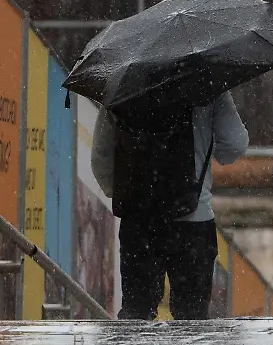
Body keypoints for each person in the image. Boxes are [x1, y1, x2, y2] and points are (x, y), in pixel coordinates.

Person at [92, 92, 249, 320]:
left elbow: (100, 155)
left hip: (139, 221)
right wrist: (211, 150)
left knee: (137, 314)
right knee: (191, 317)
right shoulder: (208, 82)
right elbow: (235, 144)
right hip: (193, 220)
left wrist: (119, 191)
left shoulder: (124, 85)